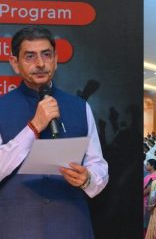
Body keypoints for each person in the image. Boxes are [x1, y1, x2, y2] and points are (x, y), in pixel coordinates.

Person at [0, 26, 109, 238]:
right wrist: (33, 127)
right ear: (15, 63)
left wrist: (87, 178)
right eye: (30, 56)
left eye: (46, 55)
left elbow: (98, 164)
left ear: (56, 60)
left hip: (72, 225)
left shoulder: (80, 107)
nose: (40, 64)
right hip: (15, 225)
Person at [144, 159, 156, 233]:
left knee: (146, 220)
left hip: (147, 199)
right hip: (145, 198)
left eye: (147, 164)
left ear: (152, 166)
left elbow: (148, 190)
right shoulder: (148, 174)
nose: (146, 166)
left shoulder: (154, 176)